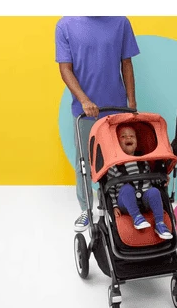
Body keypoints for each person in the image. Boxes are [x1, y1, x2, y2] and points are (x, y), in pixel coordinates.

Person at [55, 16, 140, 232]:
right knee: (84, 162)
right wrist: (84, 100)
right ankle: (86, 209)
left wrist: (131, 103)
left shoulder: (120, 22)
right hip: (85, 112)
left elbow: (126, 63)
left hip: (117, 108)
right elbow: (65, 69)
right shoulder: (65, 25)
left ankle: (115, 205)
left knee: (118, 160)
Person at [107, 124, 173, 240]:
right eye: (123, 136)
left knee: (154, 191)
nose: (128, 138)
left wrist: (161, 178)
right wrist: (114, 205)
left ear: (137, 142)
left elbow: (150, 179)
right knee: (127, 189)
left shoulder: (143, 162)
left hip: (144, 200)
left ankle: (160, 223)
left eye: (132, 136)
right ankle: (137, 217)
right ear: (117, 143)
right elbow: (111, 189)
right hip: (125, 203)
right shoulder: (114, 166)